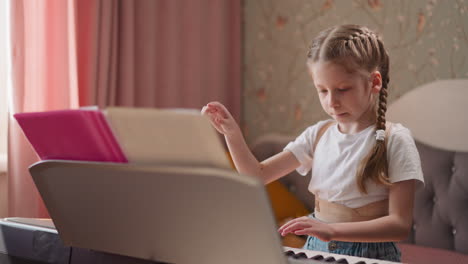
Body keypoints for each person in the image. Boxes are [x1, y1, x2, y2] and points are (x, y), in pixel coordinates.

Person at [201, 24, 424, 262]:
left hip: (369, 256)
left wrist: (332, 231)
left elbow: (399, 225)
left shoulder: (396, 140)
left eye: (342, 89)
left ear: (374, 82)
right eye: (322, 90)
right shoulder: (318, 135)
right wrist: (231, 134)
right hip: (316, 249)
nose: (332, 102)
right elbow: (256, 175)